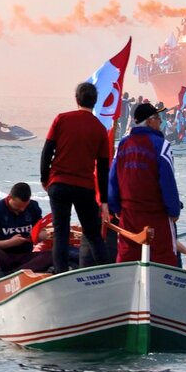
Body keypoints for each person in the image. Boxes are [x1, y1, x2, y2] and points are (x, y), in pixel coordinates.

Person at [40, 81, 110, 274]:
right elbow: (103, 167)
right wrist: (104, 200)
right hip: (85, 188)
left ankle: (61, 274)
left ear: (76, 99)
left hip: (59, 184)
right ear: (95, 102)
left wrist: (45, 179)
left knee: (60, 231)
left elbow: (47, 151)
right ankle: (108, 274)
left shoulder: (61, 119)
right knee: (94, 234)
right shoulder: (100, 129)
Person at [108, 102, 181, 266]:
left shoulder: (123, 145)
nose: (160, 122)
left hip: (128, 215)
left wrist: (116, 208)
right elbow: (167, 180)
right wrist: (174, 210)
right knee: (164, 260)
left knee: (127, 260)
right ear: (149, 122)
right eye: (158, 118)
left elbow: (112, 179)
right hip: (156, 215)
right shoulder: (162, 145)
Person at [0, 182, 52, 279]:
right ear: (10, 198)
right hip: (3, 256)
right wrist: (10, 242)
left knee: (53, 254)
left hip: (25, 256)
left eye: (24, 207)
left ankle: (14, 273)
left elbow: (41, 229)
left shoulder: (33, 207)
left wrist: (40, 235)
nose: (21, 210)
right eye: (17, 207)